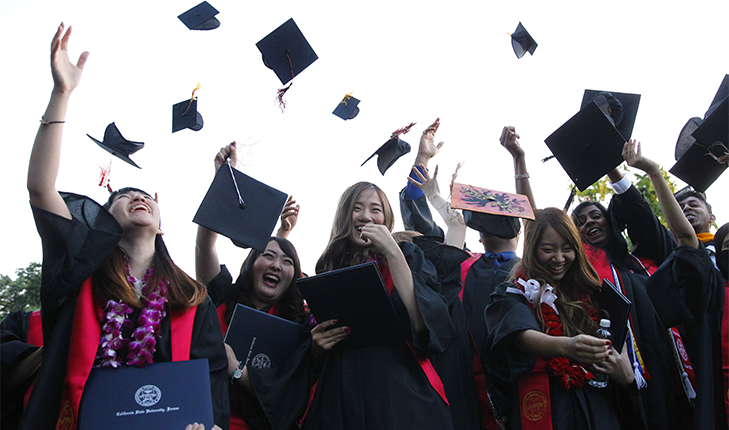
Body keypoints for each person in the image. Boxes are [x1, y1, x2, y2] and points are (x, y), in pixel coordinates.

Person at [23, 23, 228, 430]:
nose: (138, 198)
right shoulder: (79, 273)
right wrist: (61, 94)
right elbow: (39, 188)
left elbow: (211, 377)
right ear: (102, 220)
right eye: (121, 197)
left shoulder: (191, 297)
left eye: (146, 196)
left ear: (160, 223)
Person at [503, 126, 686, 429]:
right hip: (598, 385)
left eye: (595, 216)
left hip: (651, 365)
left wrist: (613, 167)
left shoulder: (633, 266)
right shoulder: (576, 273)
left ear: (611, 224)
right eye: (580, 221)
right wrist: (519, 162)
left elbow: (647, 220)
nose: (588, 223)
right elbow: (534, 223)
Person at [484, 207, 635, 429]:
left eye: (567, 249)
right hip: (550, 410)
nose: (559, 258)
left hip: (598, 410)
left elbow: (620, 347)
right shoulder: (515, 292)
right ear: (532, 250)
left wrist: (625, 374)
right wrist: (567, 346)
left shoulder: (593, 294)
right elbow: (521, 335)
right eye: (548, 249)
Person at [196, 143, 309, 430]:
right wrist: (223, 181)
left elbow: (288, 389)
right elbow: (205, 244)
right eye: (267, 256)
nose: (275, 265)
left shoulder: (295, 322)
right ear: (250, 264)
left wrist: (236, 369)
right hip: (202, 420)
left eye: (286, 262)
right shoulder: (222, 293)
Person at [625, 141, 726, 429]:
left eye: (693, 205)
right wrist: (654, 172)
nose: (687, 209)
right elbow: (684, 238)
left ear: (712, 216)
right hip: (707, 354)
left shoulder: (723, 249)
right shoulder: (684, 261)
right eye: (680, 207)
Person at [675, 188, 720, 266]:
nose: (686, 208)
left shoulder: (721, 247)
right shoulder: (670, 248)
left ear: (711, 218)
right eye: (680, 209)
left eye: (694, 205)